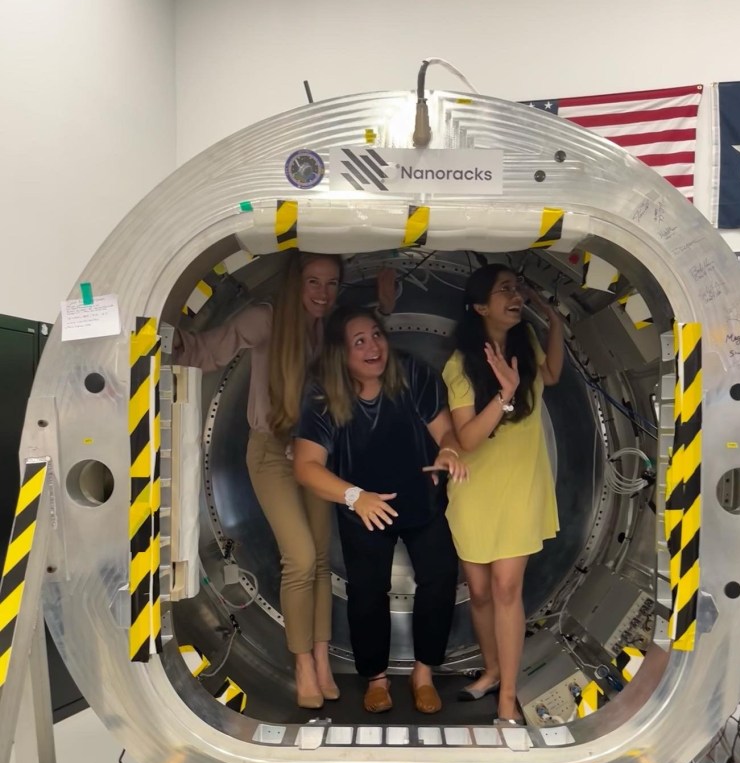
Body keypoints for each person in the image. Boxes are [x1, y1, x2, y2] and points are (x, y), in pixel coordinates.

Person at [173, 251, 349, 710]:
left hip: (314, 451)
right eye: (314, 282)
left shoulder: (324, 329)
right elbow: (211, 349)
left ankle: (321, 659)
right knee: (301, 557)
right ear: (297, 282)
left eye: (331, 283)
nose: (323, 293)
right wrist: (154, 341)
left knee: (321, 561)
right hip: (271, 453)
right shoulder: (267, 319)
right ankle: (303, 665)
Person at [293, 305, 467, 715]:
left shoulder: (410, 372)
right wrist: (356, 497)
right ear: (340, 353)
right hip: (364, 508)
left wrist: (448, 451)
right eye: (359, 341)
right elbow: (305, 466)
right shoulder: (322, 394)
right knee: (367, 592)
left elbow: (445, 431)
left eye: (376, 335)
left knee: (440, 579)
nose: (374, 347)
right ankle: (376, 678)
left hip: (421, 499)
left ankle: (423, 674)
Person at [442, 265, 564, 722]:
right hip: (475, 489)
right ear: (480, 306)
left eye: (517, 288)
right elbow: (467, 440)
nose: (516, 297)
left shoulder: (526, 343)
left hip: (521, 485)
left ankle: (508, 696)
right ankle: (492, 671)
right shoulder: (460, 365)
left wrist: (554, 322)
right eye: (504, 290)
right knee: (478, 592)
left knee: (506, 588)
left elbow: (551, 374)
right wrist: (504, 395)